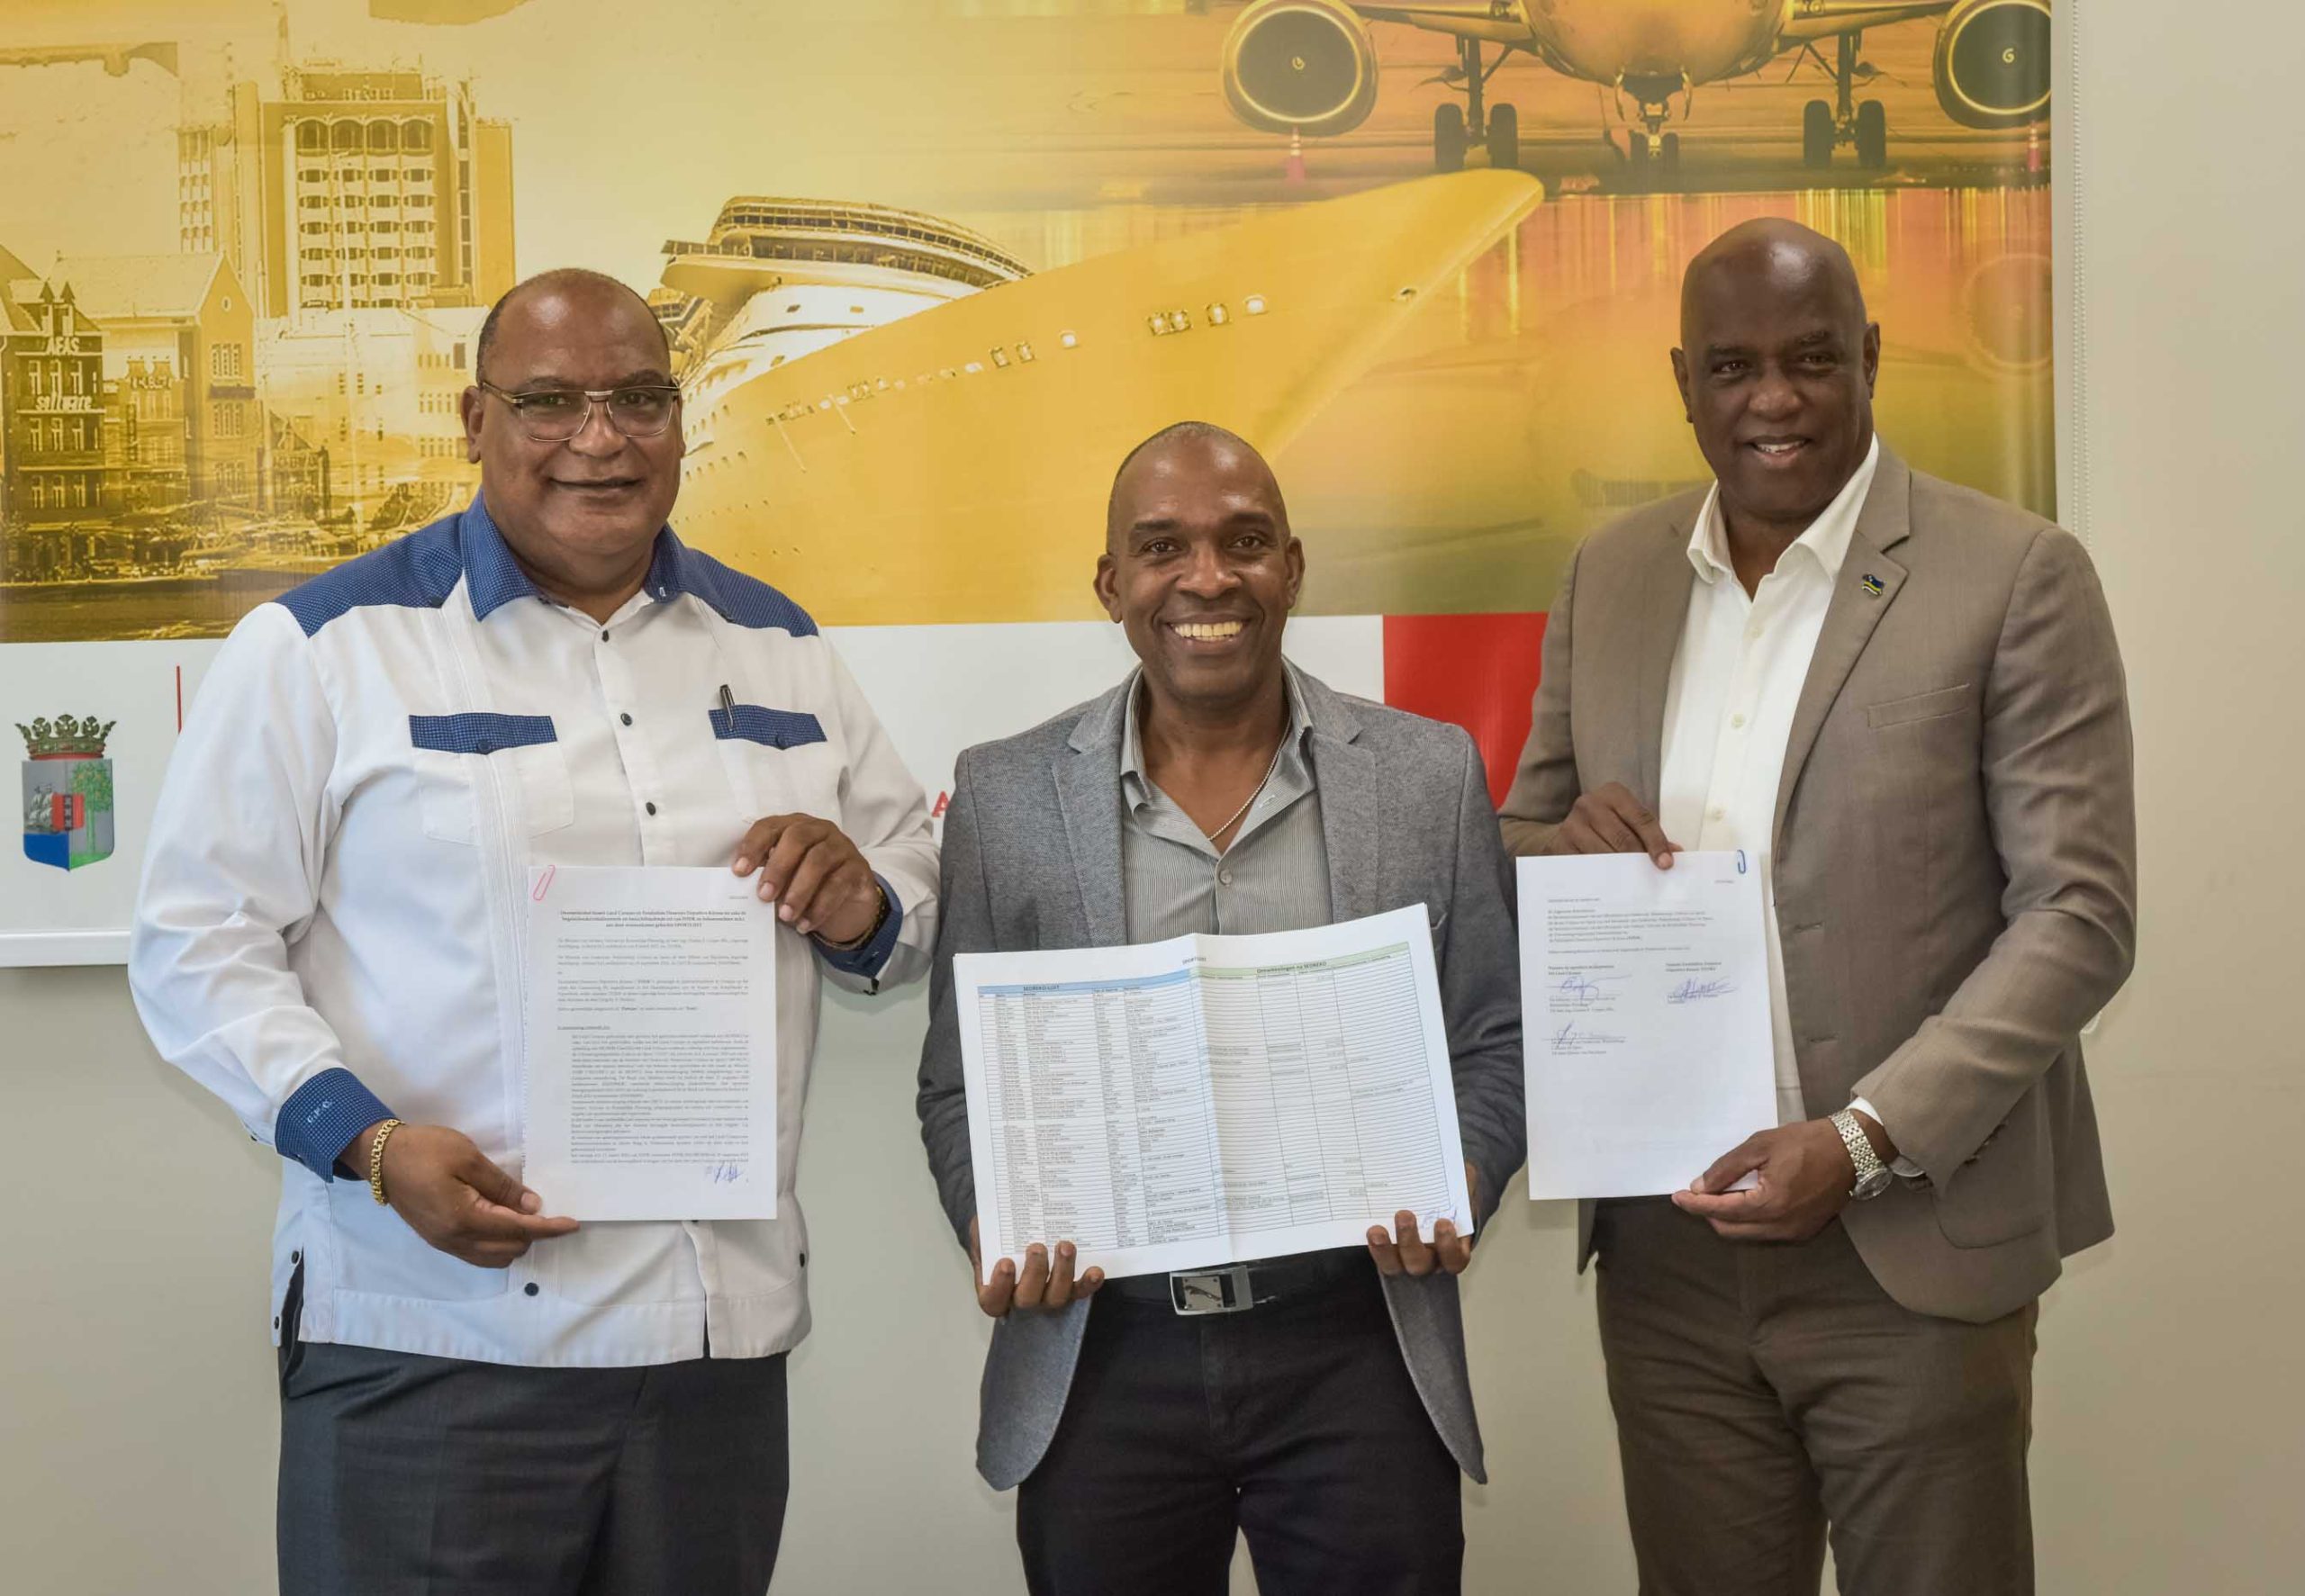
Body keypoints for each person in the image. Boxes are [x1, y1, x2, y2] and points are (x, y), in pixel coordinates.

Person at [129, 268, 939, 1594]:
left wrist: (865, 902)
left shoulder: (777, 643)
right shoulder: (328, 646)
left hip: (711, 1352)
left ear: (679, 419)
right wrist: (368, 1144)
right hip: (430, 1344)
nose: (599, 439)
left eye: (639, 400)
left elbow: (907, 881)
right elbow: (194, 942)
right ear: (476, 420)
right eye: (550, 401)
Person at [1498, 219, 2135, 1594]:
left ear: (1872, 360)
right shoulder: (1610, 575)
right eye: (1733, 366)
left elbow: (2078, 915)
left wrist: (1860, 1140)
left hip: (1909, 1239)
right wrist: (1557, 846)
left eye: (1812, 360)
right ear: (1684, 382)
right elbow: (1514, 841)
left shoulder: (2016, 571)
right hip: (1669, 1259)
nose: (1773, 399)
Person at [916, 422, 1523, 1596]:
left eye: (1244, 542)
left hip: (1356, 1342)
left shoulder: (1428, 773)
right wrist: (996, 1221)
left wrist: (1464, 1178)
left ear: (1291, 568)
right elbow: (957, 1083)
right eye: (1162, 548)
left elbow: (1490, 1037)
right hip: (1103, 1354)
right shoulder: (1002, 792)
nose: (1207, 578)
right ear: (1111, 584)